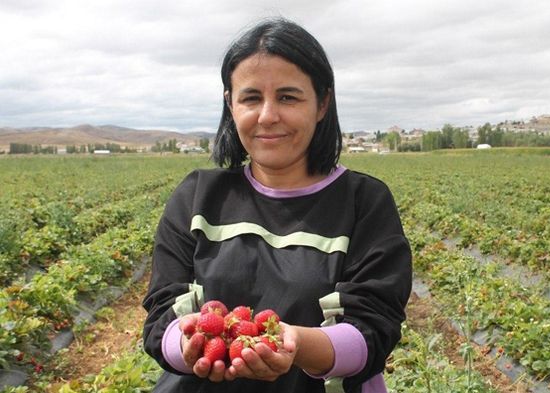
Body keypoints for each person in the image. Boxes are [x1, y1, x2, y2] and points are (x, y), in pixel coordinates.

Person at [142, 17, 412, 393]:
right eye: (251, 97)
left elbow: (374, 329)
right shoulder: (198, 197)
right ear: (230, 105)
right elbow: (162, 314)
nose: (268, 115)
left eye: (288, 97)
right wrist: (188, 344)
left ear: (322, 103)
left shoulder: (363, 202)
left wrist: (295, 344)